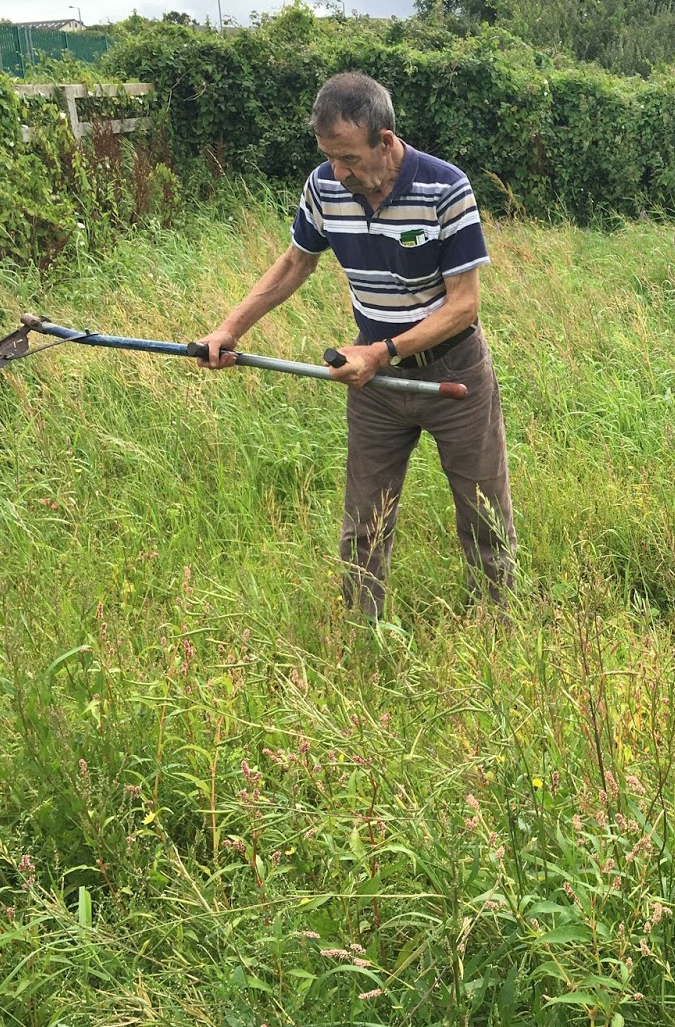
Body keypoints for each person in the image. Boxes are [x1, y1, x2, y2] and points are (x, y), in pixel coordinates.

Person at [196, 71, 516, 619]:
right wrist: (230, 329)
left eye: (347, 158)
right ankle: (359, 631)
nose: (338, 172)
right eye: (328, 157)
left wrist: (381, 352)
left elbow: (464, 304)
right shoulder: (324, 186)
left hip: (453, 375)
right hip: (373, 388)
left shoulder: (445, 187)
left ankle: (498, 622)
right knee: (364, 519)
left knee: (483, 513)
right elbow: (296, 263)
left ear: (385, 141)